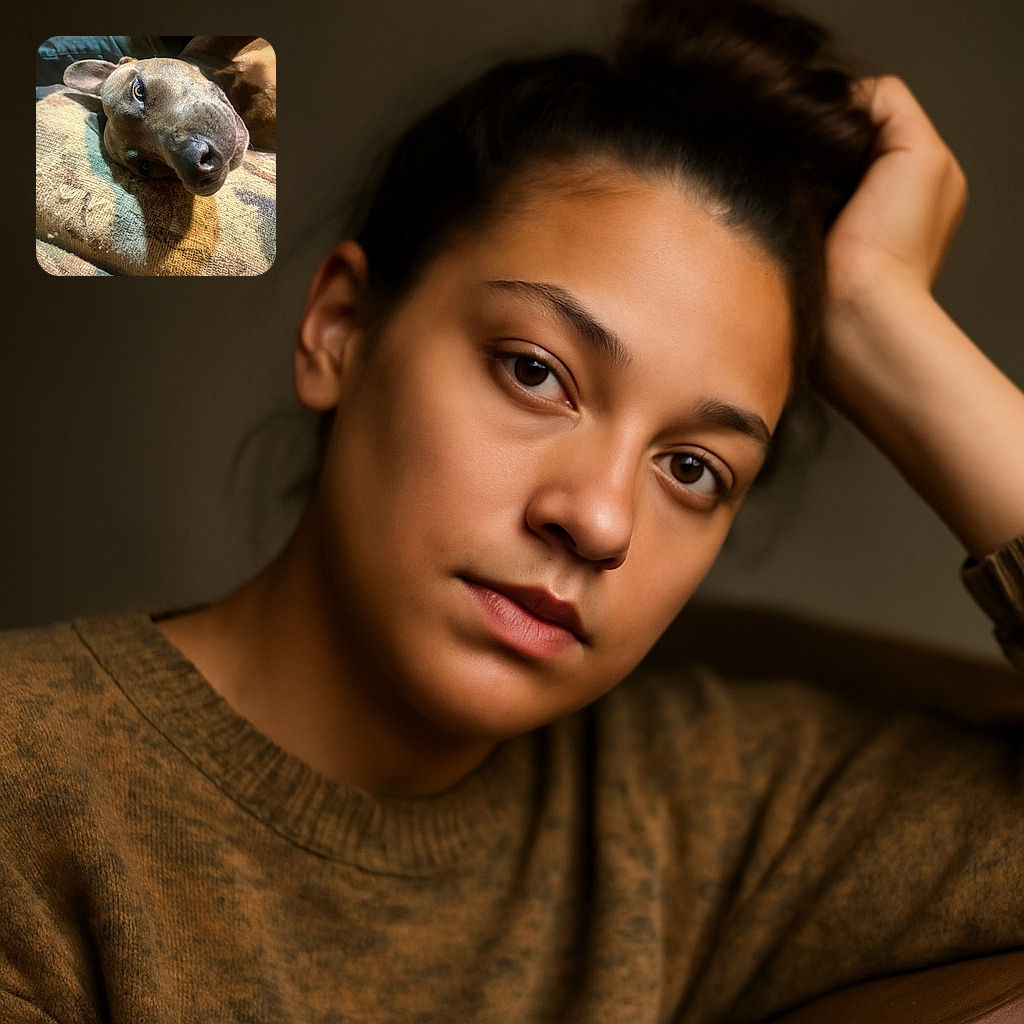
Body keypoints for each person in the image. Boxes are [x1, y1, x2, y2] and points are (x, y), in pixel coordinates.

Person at [3, 0, 1023, 1020]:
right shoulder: (32, 776)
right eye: (536, 372)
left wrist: (885, 322)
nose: (601, 520)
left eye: (694, 469)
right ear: (341, 329)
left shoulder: (700, 816)